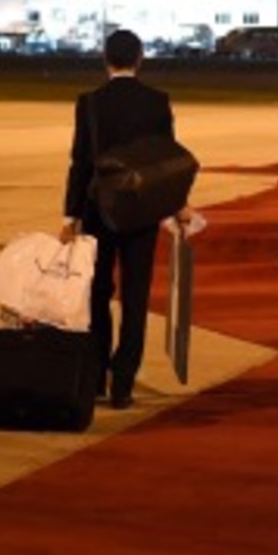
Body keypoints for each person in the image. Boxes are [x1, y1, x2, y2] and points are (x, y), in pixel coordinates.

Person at [59, 28, 186, 410]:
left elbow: (80, 162)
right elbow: (167, 162)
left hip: (100, 210)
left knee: (98, 295)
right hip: (143, 211)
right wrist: (177, 205)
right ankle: (124, 384)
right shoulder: (157, 102)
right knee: (135, 296)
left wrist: (71, 214)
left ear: (105, 58)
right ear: (140, 58)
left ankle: (97, 376)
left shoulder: (90, 103)